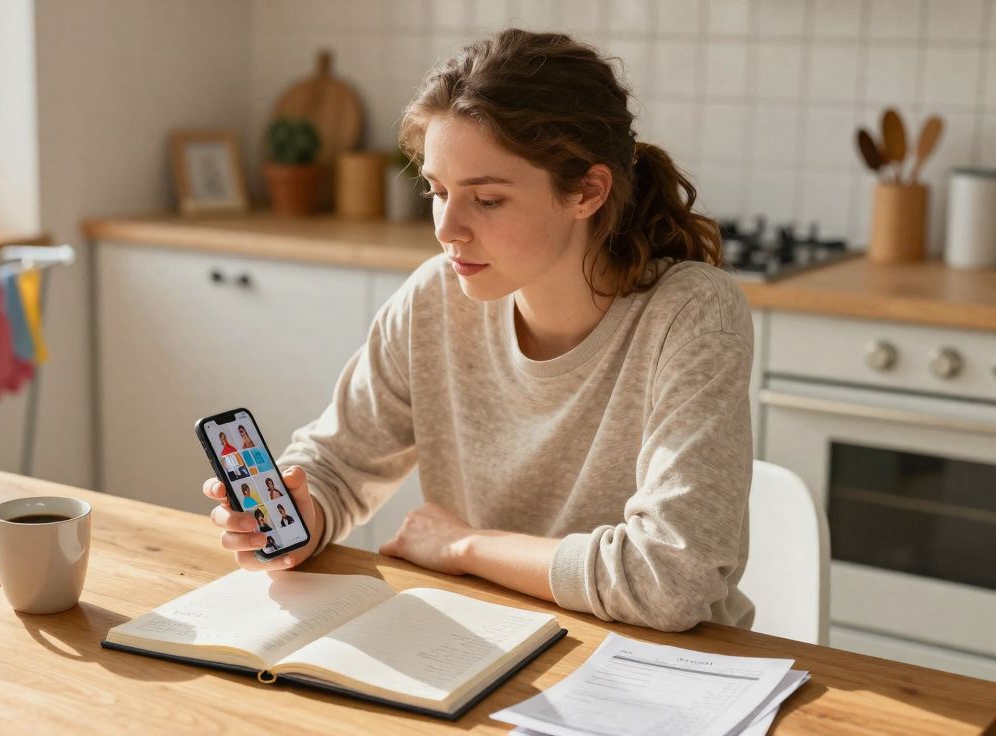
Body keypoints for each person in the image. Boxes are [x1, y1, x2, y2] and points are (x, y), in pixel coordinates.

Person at [203, 29, 754, 633]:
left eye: (486, 200)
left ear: (587, 191)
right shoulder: (435, 298)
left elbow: (670, 581)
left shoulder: (692, 313)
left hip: (659, 670)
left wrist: (466, 546)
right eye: (437, 192)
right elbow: (337, 463)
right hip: (480, 641)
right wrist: (303, 515)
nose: (447, 229)